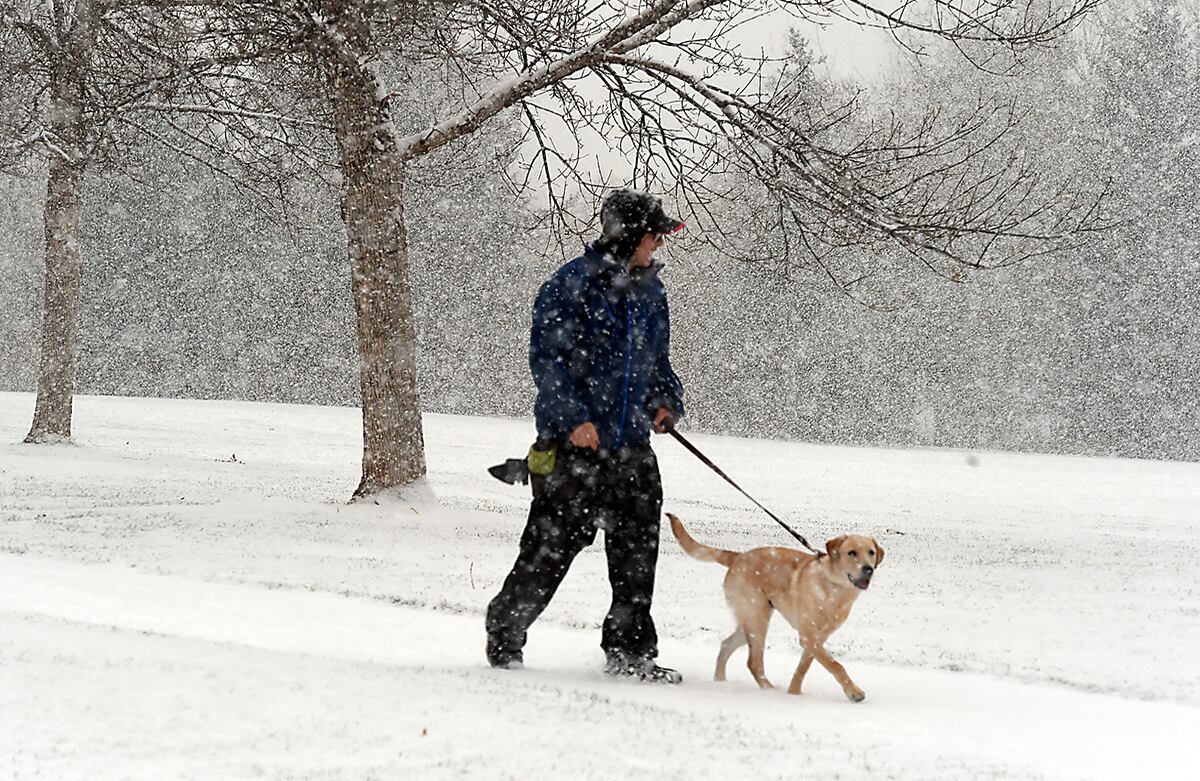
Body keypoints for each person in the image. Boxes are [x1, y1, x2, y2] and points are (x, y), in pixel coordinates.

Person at [485, 188, 687, 683]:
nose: (659, 243)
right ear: (629, 237)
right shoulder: (569, 286)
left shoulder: (652, 293)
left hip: (633, 448)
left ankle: (630, 653)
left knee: (638, 557)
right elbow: (547, 362)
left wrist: (666, 401)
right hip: (575, 452)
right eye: (653, 234)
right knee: (547, 555)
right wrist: (573, 419)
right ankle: (505, 633)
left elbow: (658, 363)